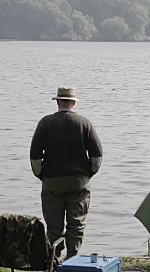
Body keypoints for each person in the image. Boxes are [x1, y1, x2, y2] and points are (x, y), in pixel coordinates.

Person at [30, 86, 103, 259]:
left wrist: (42, 175)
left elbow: (34, 156)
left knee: (54, 226)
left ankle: (53, 259)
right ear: (73, 103)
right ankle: (72, 257)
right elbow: (97, 157)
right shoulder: (84, 123)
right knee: (76, 223)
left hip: (52, 181)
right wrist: (88, 174)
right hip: (79, 181)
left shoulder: (45, 123)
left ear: (58, 102)